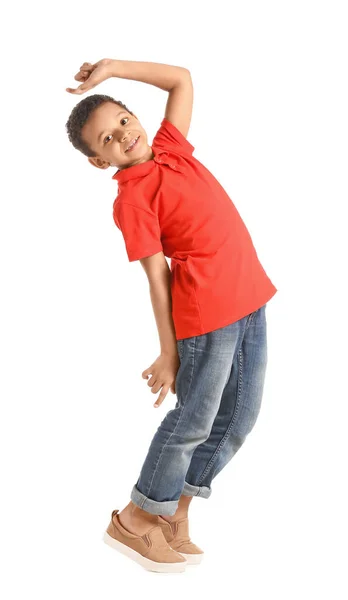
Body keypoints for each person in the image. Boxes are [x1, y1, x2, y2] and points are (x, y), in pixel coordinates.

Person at [65, 58, 278, 573]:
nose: (123, 135)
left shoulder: (172, 151)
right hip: (207, 315)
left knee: (239, 419)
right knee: (193, 421)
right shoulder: (134, 197)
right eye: (108, 140)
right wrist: (168, 349)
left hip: (250, 298)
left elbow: (180, 77)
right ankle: (136, 520)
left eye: (122, 120)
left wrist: (111, 68)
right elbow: (156, 277)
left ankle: (174, 513)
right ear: (100, 161)